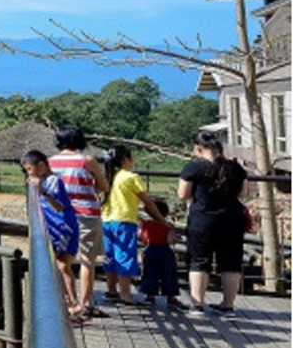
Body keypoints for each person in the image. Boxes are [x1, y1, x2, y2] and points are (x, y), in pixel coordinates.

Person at [177, 130, 249, 317]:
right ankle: (227, 305)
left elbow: (183, 194)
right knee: (231, 262)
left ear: (198, 148)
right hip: (233, 218)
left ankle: (197, 305)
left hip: (203, 219)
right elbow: (243, 193)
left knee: (199, 261)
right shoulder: (234, 167)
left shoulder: (194, 167)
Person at [50, 125, 110, 320]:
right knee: (87, 260)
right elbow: (103, 186)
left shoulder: (50, 163)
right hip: (87, 214)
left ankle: (68, 301)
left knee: (63, 260)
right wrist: (89, 192)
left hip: (61, 215)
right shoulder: (87, 161)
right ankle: (85, 304)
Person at [22, 150, 82, 320]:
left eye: (29, 169)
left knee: (62, 266)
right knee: (58, 266)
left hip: (63, 228)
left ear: (41, 166)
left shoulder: (53, 181)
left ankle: (73, 304)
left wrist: (42, 191)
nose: (29, 173)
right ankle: (68, 304)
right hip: (53, 228)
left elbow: (59, 207)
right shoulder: (43, 181)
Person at [102, 145, 166, 306]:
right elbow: (148, 203)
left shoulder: (108, 175)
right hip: (124, 221)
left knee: (110, 257)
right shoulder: (130, 177)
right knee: (125, 256)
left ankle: (111, 290)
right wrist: (160, 219)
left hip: (106, 220)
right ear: (125, 159)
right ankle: (126, 294)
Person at [138, 198, 187, 310]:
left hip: (150, 250)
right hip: (165, 251)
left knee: (150, 274)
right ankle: (171, 297)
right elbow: (171, 239)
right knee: (169, 274)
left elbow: (142, 238)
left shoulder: (147, 224)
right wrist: (176, 238)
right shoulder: (168, 225)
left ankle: (150, 296)